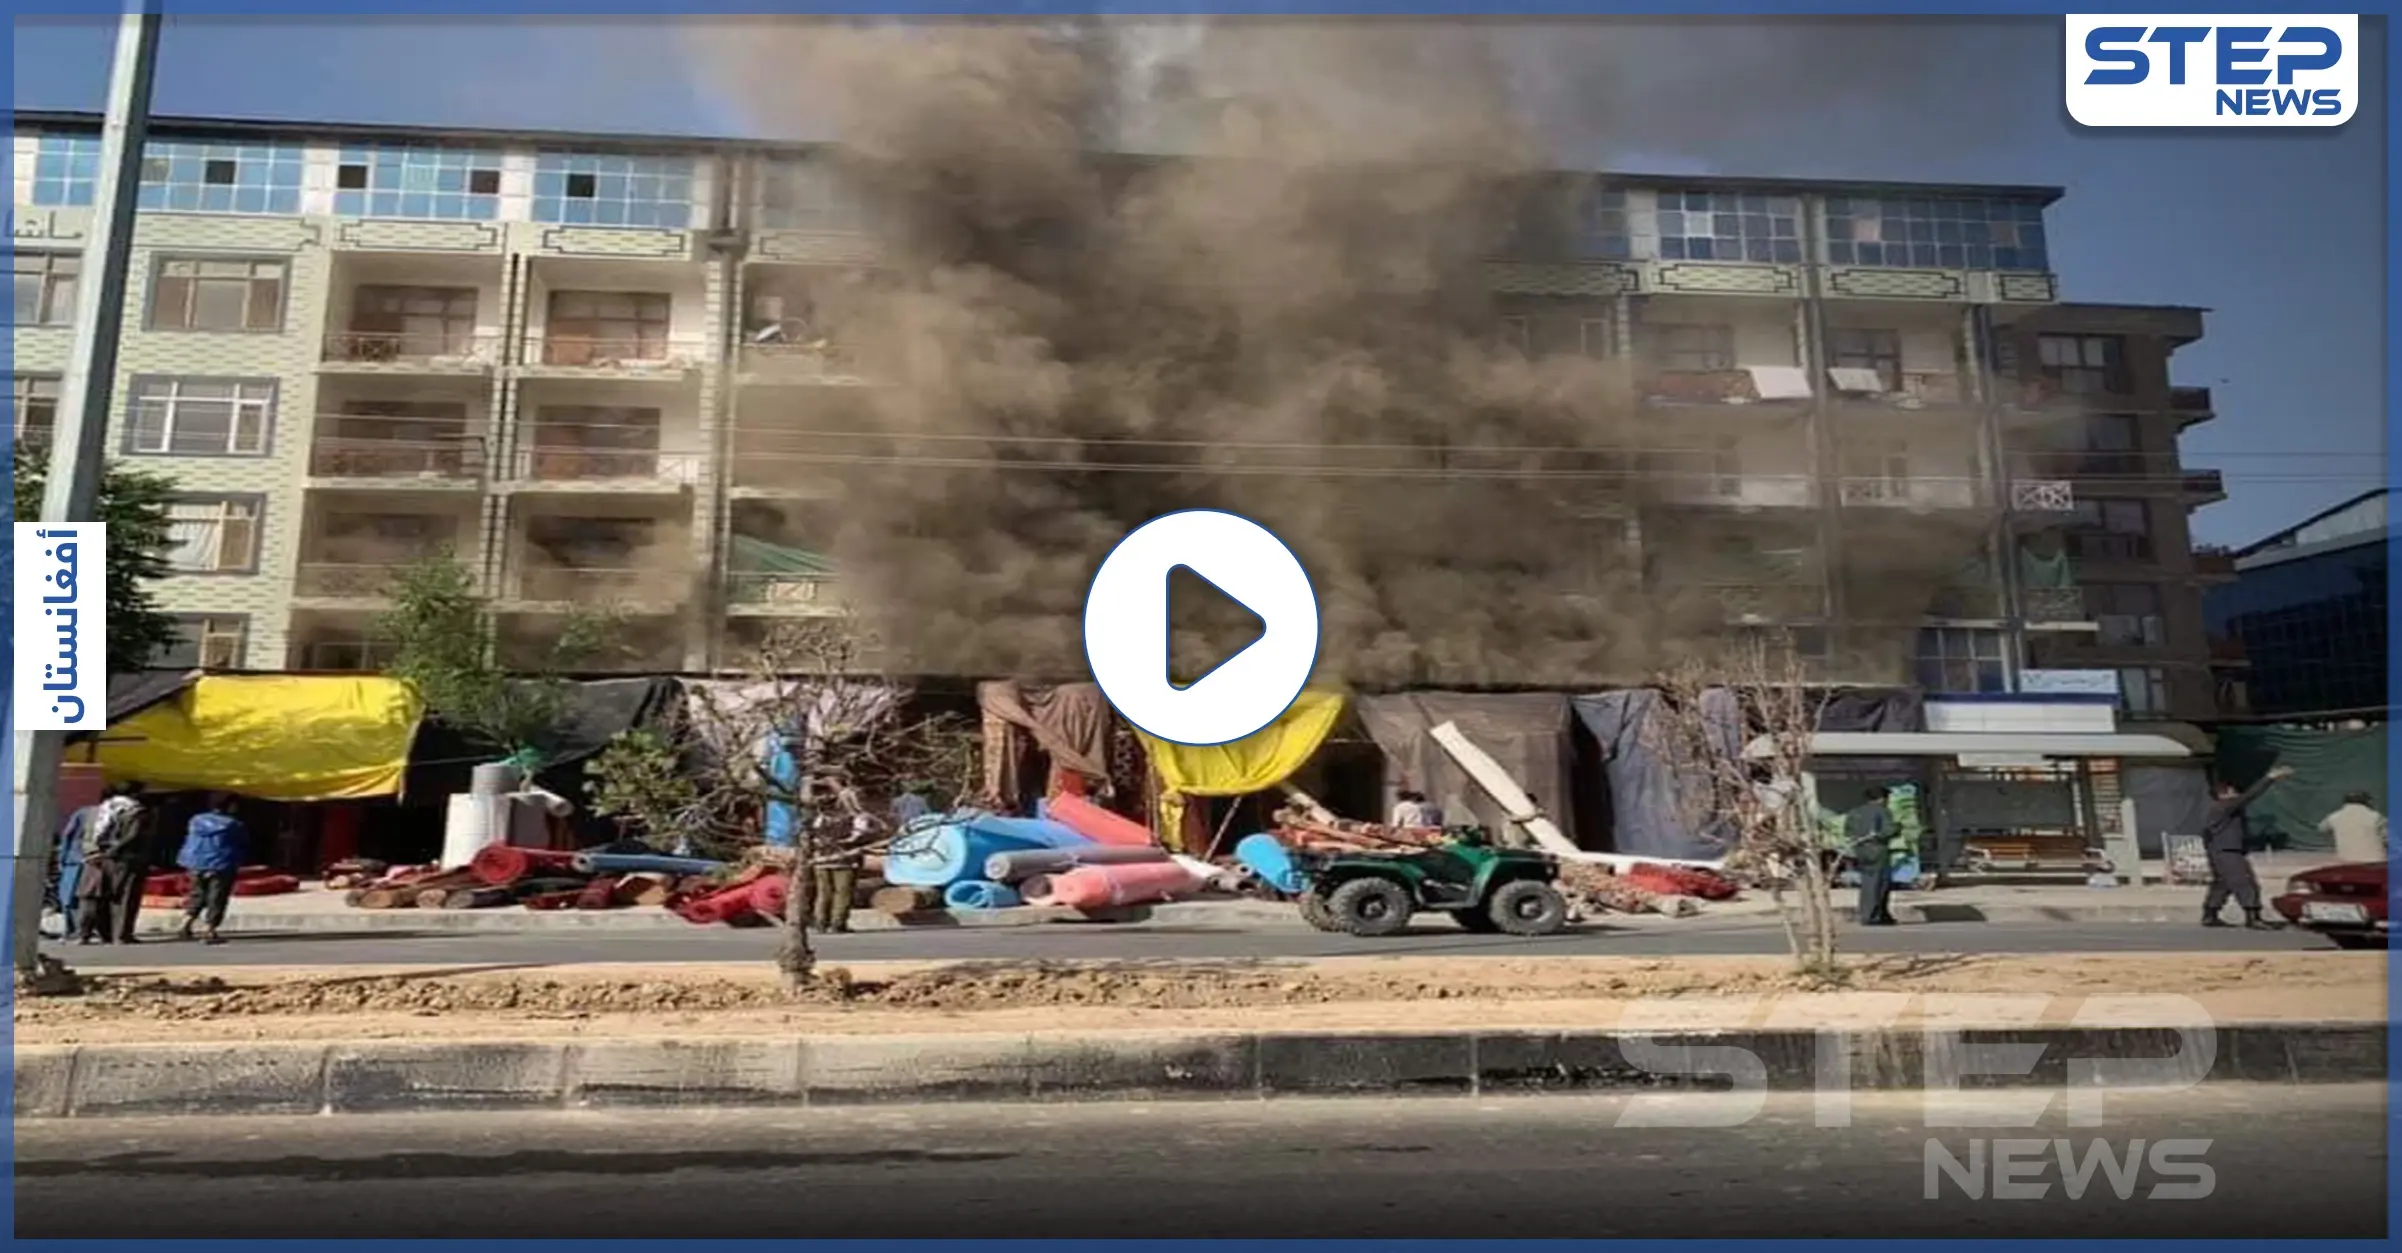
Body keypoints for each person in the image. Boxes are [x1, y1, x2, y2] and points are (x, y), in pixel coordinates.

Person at [2201, 765, 2296, 930]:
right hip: (2228, 852)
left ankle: (2210, 914)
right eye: (2234, 791)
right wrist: (2270, 778)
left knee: (2222, 883)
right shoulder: (2225, 806)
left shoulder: (2218, 810)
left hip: (2220, 851)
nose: (2237, 794)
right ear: (2225, 793)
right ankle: (2253, 916)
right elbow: (2249, 796)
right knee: (2245, 882)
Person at [75, 783, 153, 945]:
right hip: (124, 860)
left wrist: (92, 853)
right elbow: (133, 836)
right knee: (124, 897)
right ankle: (121, 935)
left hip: (94, 859)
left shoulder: (95, 811)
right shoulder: (136, 812)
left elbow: (83, 834)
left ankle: (88, 934)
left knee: (95, 896)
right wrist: (113, 851)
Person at [176, 793, 247, 945]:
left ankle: (185, 924)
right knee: (217, 897)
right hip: (220, 863)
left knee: (197, 894)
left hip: (195, 862)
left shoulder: (196, 820)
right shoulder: (233, 824)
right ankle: (210, 929)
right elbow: (240, 844)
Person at [1846, 786, 1898, 927]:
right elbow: (1888, 830)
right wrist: (1897, 829)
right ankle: (1874, 915)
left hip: (1861, 851)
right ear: (1881, 799)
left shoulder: (1855, 812)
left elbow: (1848, 831)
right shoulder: (1882, 811)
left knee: (1867, 883)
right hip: (1878, 851)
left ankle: (1872, 913)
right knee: (1880, 884)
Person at [49, 803, 95, 940]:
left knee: (68, 897)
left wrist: (62, 858)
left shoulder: (84, 812)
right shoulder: (95, 813)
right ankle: (82, 930)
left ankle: (72, 930)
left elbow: (68, 834)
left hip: (74, 859)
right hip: (92, 860)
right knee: (86, 897)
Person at [2316, 792, 2389, 865]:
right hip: (2375, 862)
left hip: (2346, 861)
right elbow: (2388, 838)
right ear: (2368, 802)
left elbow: (2321, 828)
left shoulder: (2334, 817)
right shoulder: (2376, 817)